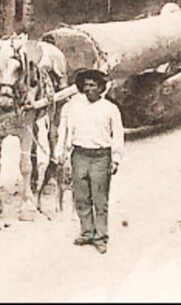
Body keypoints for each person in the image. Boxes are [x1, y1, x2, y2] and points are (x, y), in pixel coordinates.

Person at [54, 68, 124, 254]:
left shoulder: (110, 109)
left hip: (101, 157)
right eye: (85, 86)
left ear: (101, 88)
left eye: (93, 85)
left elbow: (117, 136)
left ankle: (101, 237)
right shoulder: (73, 107)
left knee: (99, 199)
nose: (88, 89)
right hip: (79, 156)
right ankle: (87, 232)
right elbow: (65, 131)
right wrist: (60, 152)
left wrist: (115, 159)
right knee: (81, 197)